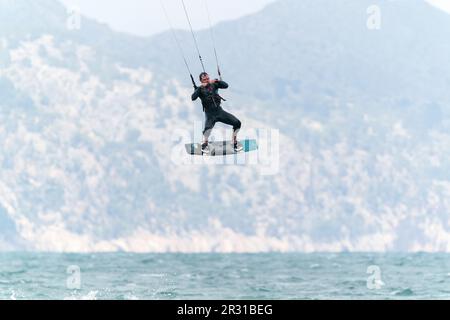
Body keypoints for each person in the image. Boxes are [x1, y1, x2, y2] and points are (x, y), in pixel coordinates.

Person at [192, 72, 242, 154]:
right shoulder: (199, 89)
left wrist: (217, 81)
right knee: (206, 131)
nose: (207, 81)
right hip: (210, 115)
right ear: (201, 81)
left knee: (237, 123)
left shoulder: (214, 84)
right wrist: (200, 87)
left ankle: (234, 141)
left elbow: (226, 85)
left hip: (219, 112)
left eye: (208, 78)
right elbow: (193, 98)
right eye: (204, 80)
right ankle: (205, 143)